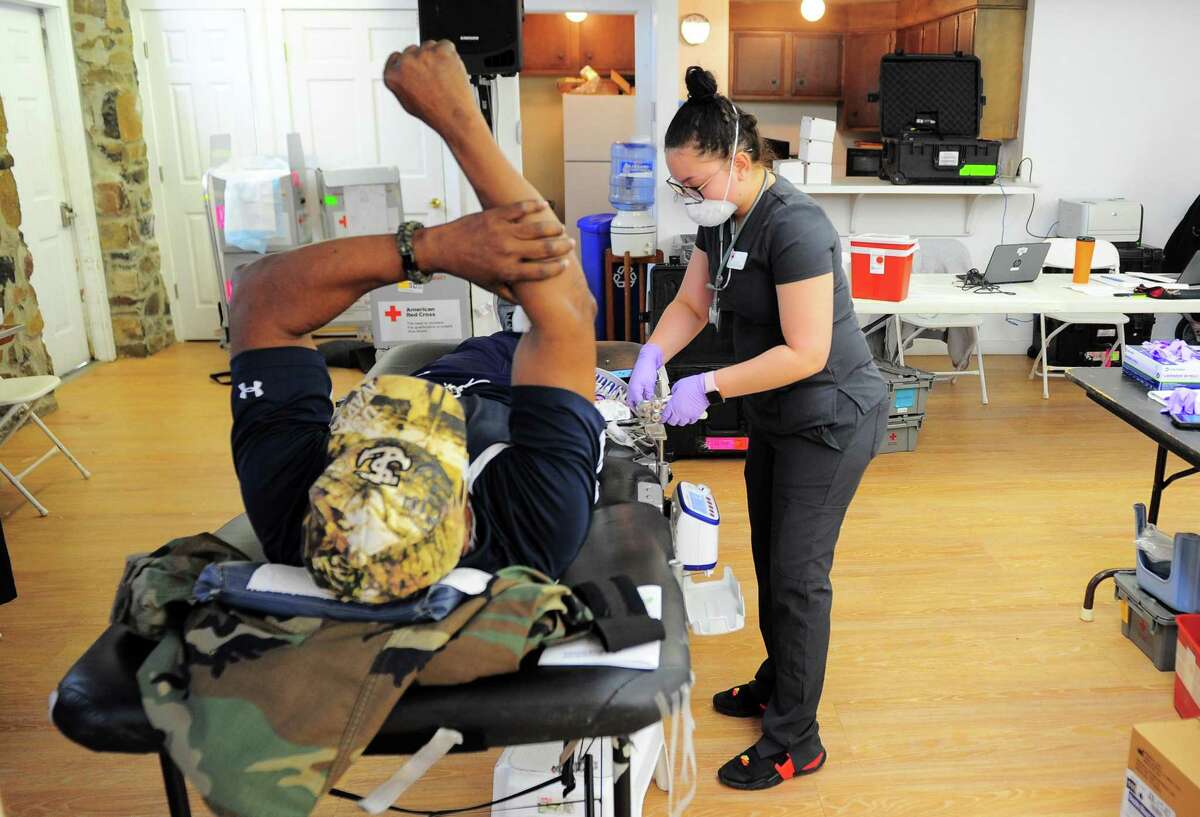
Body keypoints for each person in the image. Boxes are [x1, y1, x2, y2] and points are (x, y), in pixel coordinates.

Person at [228, 41, 603, 602]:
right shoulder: (530, 526)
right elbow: (571, 306)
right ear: (463, 516)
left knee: (512, 323)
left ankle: (506, 309)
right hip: (505, 392)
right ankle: (510, 315)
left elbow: (259, 296)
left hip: (435, 377)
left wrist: (433, 248)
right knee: (526, 326)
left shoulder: (296, 515)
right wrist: (457, 117)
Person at [627, 66, 888, 790]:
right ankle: (779, 683)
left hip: (829, 420)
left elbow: (806, 351)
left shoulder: (797, 227)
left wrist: (706, 382)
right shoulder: (731, 218)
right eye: (679, 187)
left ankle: (796, 738)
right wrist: (654, 350)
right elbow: (687, 303)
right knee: (775, 561)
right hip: (776, 416)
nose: (689, 200)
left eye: (695, 185)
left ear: (741, 162)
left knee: (799, 579)